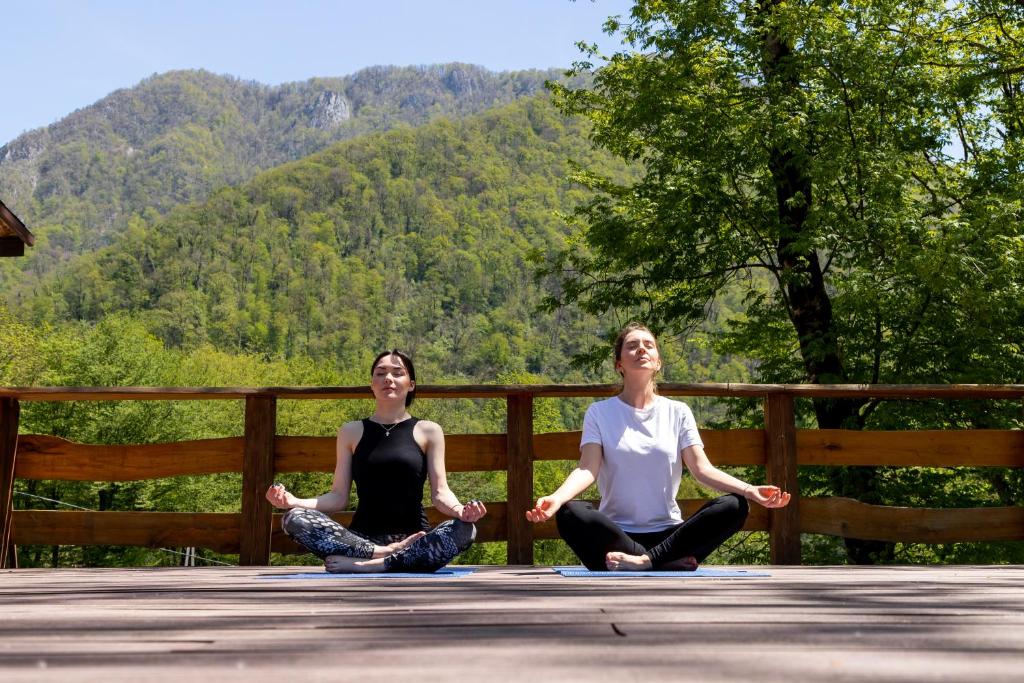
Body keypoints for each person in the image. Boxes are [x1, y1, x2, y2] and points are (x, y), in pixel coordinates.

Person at [525, 323, 791, 572]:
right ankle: (662, 562)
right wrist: (556, 498)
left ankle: (645, 561)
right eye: (632, 346)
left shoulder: (678, 412)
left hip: (671, 536)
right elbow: (587, 469)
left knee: (735, 505)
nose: (641, 349)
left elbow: (702, 469)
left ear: (658, 362)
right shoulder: (599, 413)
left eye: (648, 345)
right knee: (570, 513)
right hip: (616, 535)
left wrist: (749, 490)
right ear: (619, 364)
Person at [266, 349, 486, 573]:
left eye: (397, 373)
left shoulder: (429, 430)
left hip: (415, 540)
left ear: (411, 384)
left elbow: (440, 493)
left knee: (466, 529)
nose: (388, 378)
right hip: (361, 543)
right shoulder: (350, 431)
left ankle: (376, 565)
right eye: (380, 373)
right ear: (372, 384)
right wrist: (294, 501)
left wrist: (461, 511)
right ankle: (383, 555)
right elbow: (338, 497)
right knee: (294, 518)